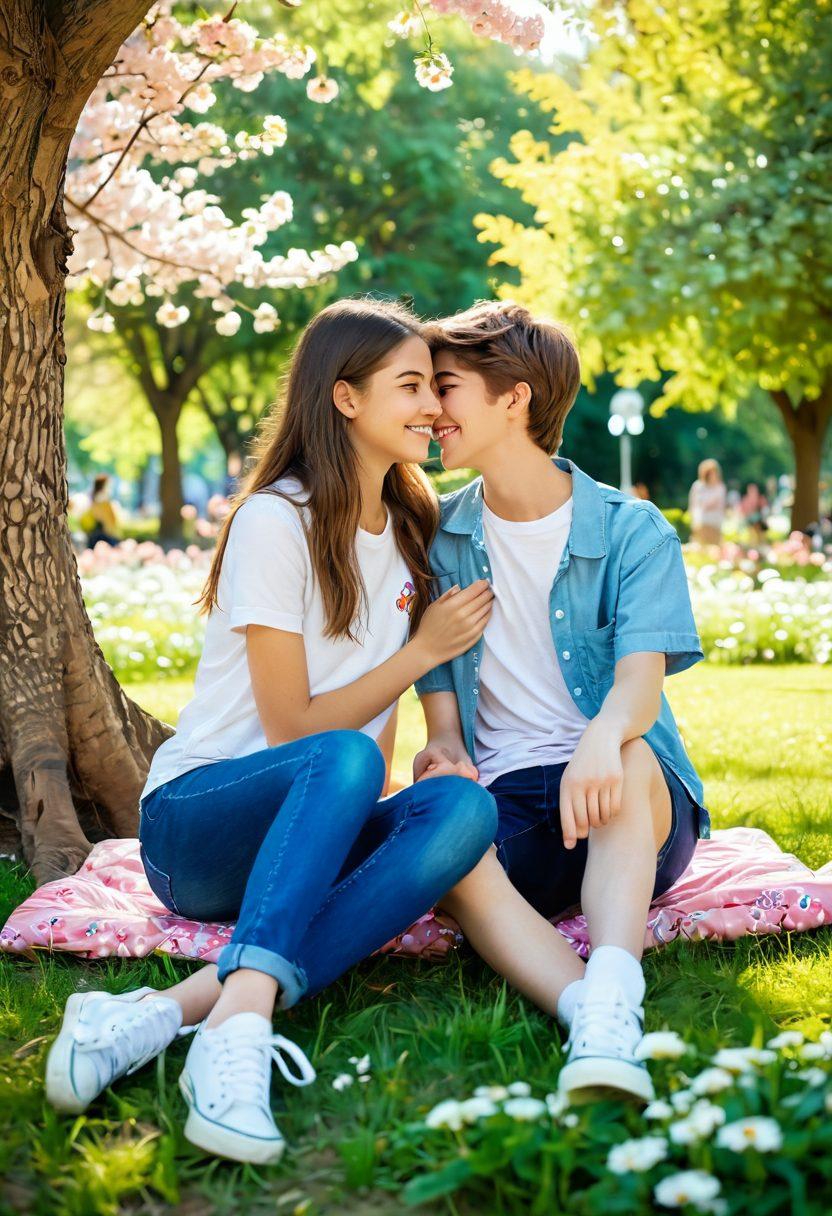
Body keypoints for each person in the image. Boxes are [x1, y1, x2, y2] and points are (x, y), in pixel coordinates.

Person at [45, 298, 498, 1163]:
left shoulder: (411, 525)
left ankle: (166, 1015)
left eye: (433, 390)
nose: (433, 407)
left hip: (313, 819)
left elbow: (377, 724)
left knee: (459, 815)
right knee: (339, 757)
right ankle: (239, 1032)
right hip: (198, 826)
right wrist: (424, 650)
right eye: (410, 386)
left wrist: (427, 754)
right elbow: (294, 726)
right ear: (344, 398)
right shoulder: (273, 520)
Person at [414, 301, 710, 1105]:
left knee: (625, 749)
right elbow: (443, 720)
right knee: (437, 823)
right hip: (511, 811)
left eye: (446, 387)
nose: (428, 410)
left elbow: (637, 692)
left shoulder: (630, 530)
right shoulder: (435, 538)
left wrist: (598, 740)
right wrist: (445, 760)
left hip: (632, 809)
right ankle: (588, 1009)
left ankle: (613, 988)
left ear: (515, 397)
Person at [687, 459, 727, 546]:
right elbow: (694, 505)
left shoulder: (720, 487)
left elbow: (721, 506)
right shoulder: (698, 486)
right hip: (701, 523)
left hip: (716, 524)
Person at [81, 473, 121, 546]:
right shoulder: (102, 499)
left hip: (96, 532)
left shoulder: (94, 497)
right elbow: (106, 518)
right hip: (104, 533)